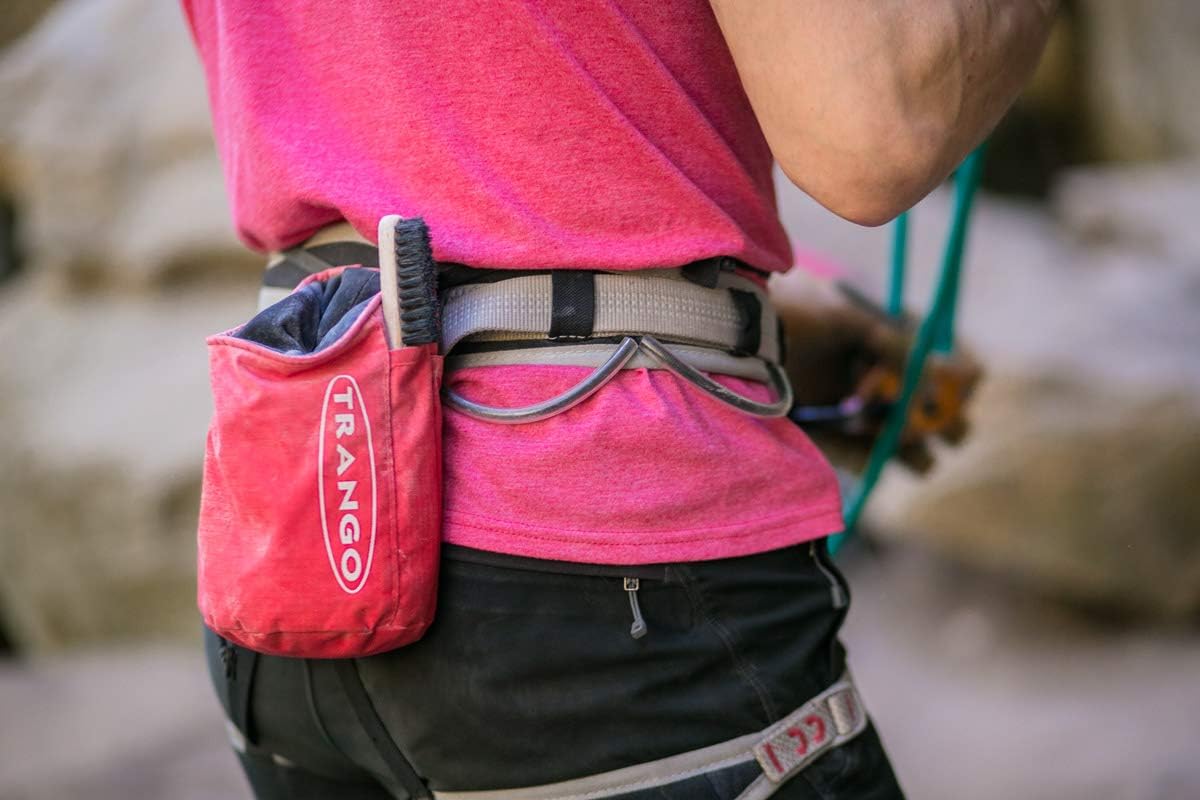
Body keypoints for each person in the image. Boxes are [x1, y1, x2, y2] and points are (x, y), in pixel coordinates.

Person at [182, 2, 1056, 798]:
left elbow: (395, 132)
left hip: (290, 553)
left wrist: (740, 337)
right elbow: (878, 131)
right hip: (594, 560)